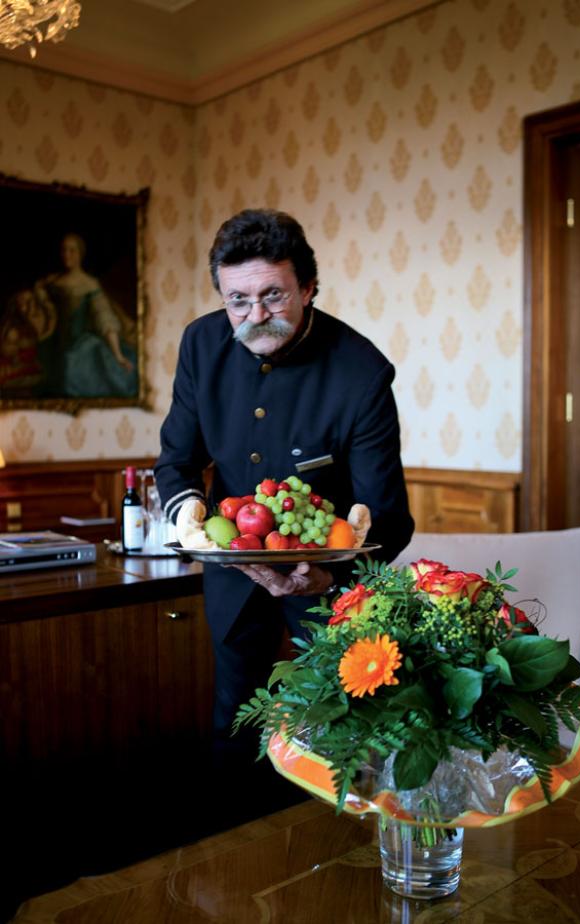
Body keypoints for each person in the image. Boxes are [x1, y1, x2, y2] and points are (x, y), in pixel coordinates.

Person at [155, 209, 413, 813]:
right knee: (232, 725)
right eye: (237, 300)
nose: (254, 316)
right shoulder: (200, 343)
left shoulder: (363, 371)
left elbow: (391, 518)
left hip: (332, 587)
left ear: (308, 289)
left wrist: (326, 576)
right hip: (233, 569)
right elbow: (176, 460)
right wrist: (192, 515)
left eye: (273, 295)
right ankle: (231, 854)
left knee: (337, 736)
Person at [34, 233, 137, 398]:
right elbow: (40, 296)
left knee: (70, 372)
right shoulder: (52, 282)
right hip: (54, 345)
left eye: (72, 250)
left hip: (81, 346)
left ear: (80, 253)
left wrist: (118, 355)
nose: (67, 255)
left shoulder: (89, 284)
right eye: (64, 250)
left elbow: (105, 318)